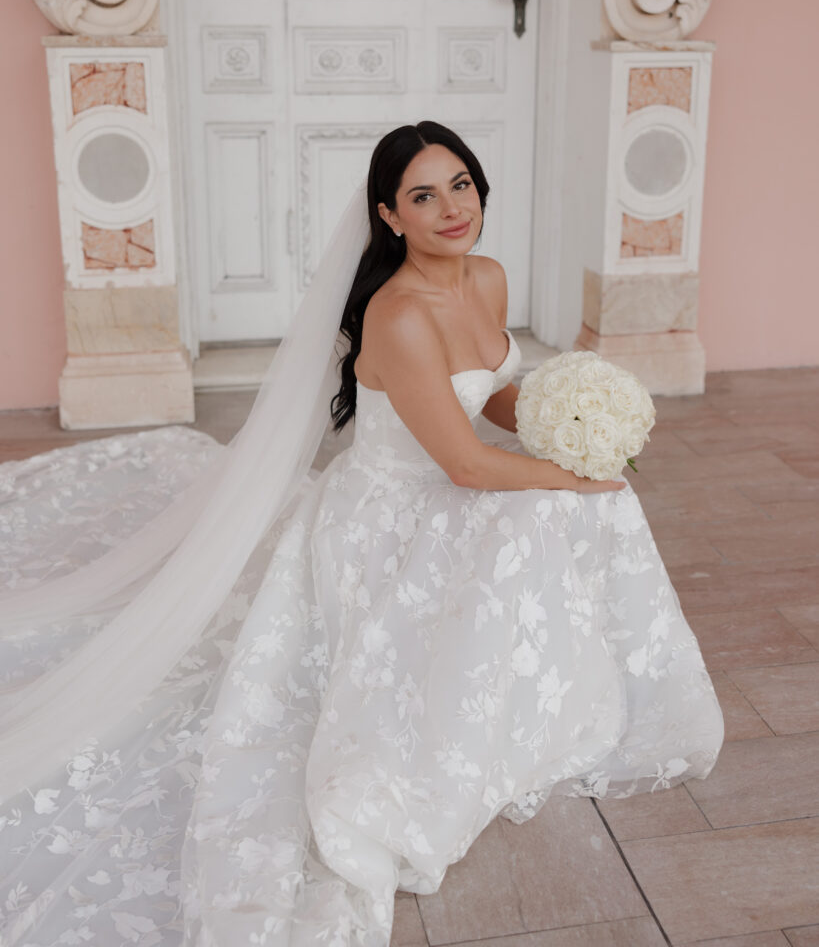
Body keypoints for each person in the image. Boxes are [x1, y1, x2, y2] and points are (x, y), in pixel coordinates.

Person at [0, 121, 724, 946]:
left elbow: (484, 397)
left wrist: (580, 420)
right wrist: (575, 477)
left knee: (583, 500)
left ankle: (555, 688)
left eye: (460, 184)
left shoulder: (485, 278)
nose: (450, 207)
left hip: (450, 481)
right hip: (388, 513)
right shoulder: (398, 318)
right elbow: (464, 466)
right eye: (423, 195)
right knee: (560, 506)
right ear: (389, 216)